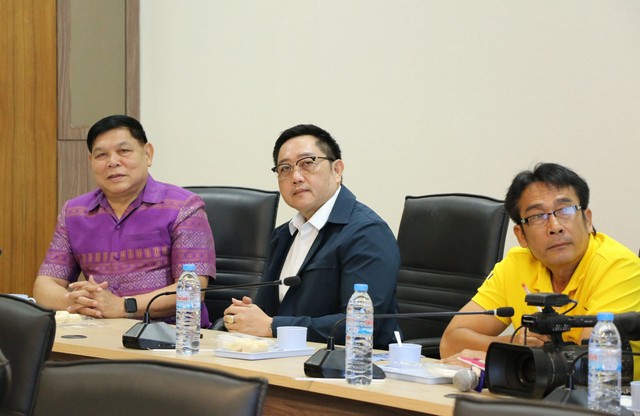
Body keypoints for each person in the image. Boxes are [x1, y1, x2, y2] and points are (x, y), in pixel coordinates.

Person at [439, 162, 640, 378]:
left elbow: (591, 365)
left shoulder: (618, 266)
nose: (555, 226)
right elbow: (450, 342)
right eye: (538, 216)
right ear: (521, 235)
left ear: (587, 219)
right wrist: (512, 343)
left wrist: (502, 357)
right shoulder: (516, 265)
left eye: (565, 210)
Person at [222, 124, 400, 348]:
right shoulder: (283, 235)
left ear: (337, 170)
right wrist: (246, 317)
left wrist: (272, 326)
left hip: (352, 364)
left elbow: (362, 324)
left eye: (307, 163)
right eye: (285, 168)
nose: (296, 177)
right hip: (285, 357)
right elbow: (268, 313)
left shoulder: (367, 233)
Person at [34, 115, 216, 327]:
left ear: (148, 154)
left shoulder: (184, 207)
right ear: (91, 161)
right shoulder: (74, 213)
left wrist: (122, 306)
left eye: (124, 151)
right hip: (98, 334)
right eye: (101, 155)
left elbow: (193, 290)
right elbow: (45, 285)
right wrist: (75, 301)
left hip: (170, 337)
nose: (113, 162)